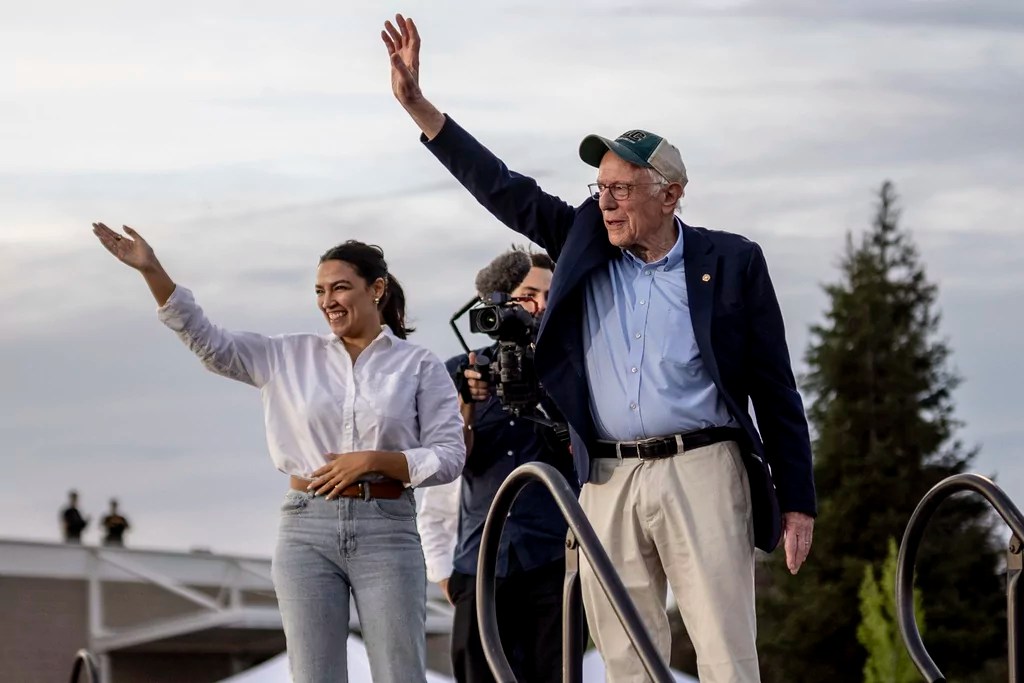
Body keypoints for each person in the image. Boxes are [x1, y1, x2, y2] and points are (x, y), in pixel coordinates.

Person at [382, 16, 816, 683]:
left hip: (701, 466)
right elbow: (503, 187)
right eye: (600, 188)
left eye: (622, 188)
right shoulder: (585, 238)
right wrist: (420, 107)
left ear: (670, 194)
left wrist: (797, 499)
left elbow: (774, 385)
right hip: (606, 476)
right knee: (624, 658)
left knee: (724, 653)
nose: (606, 202)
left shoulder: (731, 261)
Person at [90, 222, 465, 683]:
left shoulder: (418, 364)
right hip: (306, 529)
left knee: (400, 674)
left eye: (341, 287)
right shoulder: (287, 355)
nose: (328, 300)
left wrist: (374, 460)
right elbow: (209, 342)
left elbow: (450, 455)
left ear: (377, 289)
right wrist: (152, 272)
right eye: (320, 290)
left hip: (386, 528)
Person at [417, 247, 581, 683]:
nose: (539, 306)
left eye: (550, 294)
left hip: (554, 563)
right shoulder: (461, 371)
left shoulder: (574, 370)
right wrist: (467, 405)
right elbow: (445, 468)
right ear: (500, 300)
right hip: (480, 564)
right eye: (528, 294)